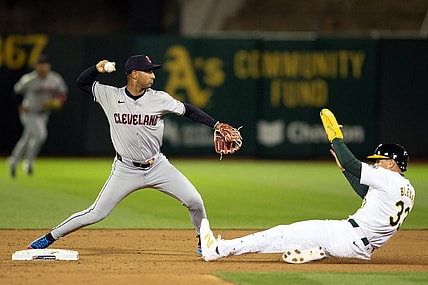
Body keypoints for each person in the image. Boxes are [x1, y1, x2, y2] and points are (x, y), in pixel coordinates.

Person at [27, 54, 241, 255]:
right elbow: (82, 83)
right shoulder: (110, 95)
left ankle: (203, 240)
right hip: (125, 169)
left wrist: (216, 124)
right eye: (148, 71)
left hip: (158, 166)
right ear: (134, 74)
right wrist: (96, 69)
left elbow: (188, 110)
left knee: (195, 200)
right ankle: (49, 237)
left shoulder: (160, 98)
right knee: (96, 213)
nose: (153, 75)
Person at [200, 108, 415, 263]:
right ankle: (316, 251)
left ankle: (218, 249)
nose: (376, 163)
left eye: (379, 160)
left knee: (281, 233)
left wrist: (336, 139)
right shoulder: (408, 190)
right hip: (361, 248)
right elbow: (367, 195)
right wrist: (344, 171)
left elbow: (352, 162)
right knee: (302, 235)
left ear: (391, 163)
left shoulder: (387, 177)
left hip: (346, 236)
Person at [8, 54, 68, 177]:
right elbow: (16, 91)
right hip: (29, 112)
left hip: (43, 113)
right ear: (36, 66)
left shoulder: (55, 79)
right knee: (40, 135)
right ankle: (28, 163)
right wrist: (20, 105)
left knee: (27, 138)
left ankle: (13, 161)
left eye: (45, 64)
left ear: (48, 66)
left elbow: (63, 93)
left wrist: (59, 100)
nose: (43, 67)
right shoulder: (29, 79)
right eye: (40, 64)